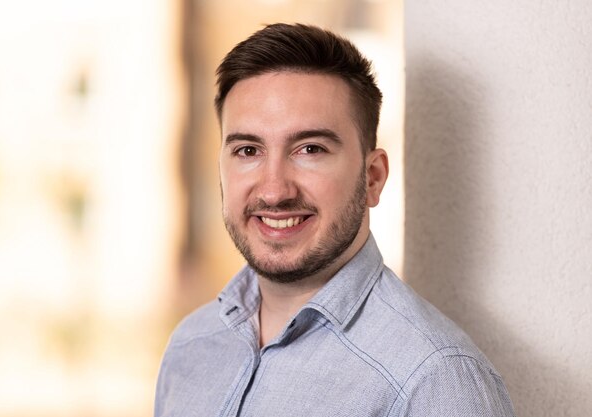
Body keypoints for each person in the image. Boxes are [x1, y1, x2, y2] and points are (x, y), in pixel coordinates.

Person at [155, 23, 516, 417]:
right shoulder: (191, 346)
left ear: (373, 177)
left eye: (310, 149)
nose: (274, 191)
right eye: (247, 150)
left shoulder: (434, 379)